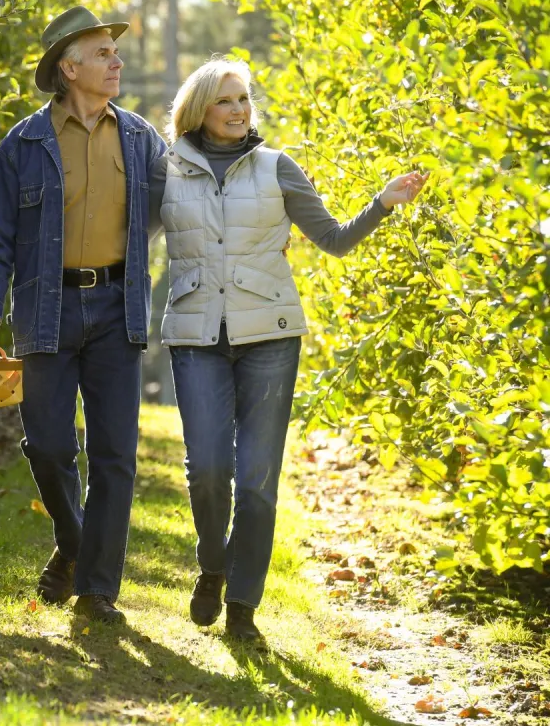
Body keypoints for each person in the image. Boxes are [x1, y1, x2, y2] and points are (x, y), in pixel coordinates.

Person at [149, 57, 427, 642]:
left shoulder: (277, 167)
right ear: (199, 108)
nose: (239, 109)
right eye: (226, 100)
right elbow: (127, 241)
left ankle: (244, 609)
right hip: (196, 336)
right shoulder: (165, 171)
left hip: (270, 337)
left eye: (244, 98)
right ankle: (213, 565)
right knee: (209, 470)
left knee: (255, 479)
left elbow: (331, 239)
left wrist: (382, 203)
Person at [0, 6, 166, 625]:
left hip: (116, 306)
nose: (117, 62)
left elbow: (177, 204)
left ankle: (99, 588)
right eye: (104, 53)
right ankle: (75, 548)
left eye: (115, 53)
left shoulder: (140, 137)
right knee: (47, 447)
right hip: (45, 308)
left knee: (114, 455)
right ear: (68, 67)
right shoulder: (22, 145)